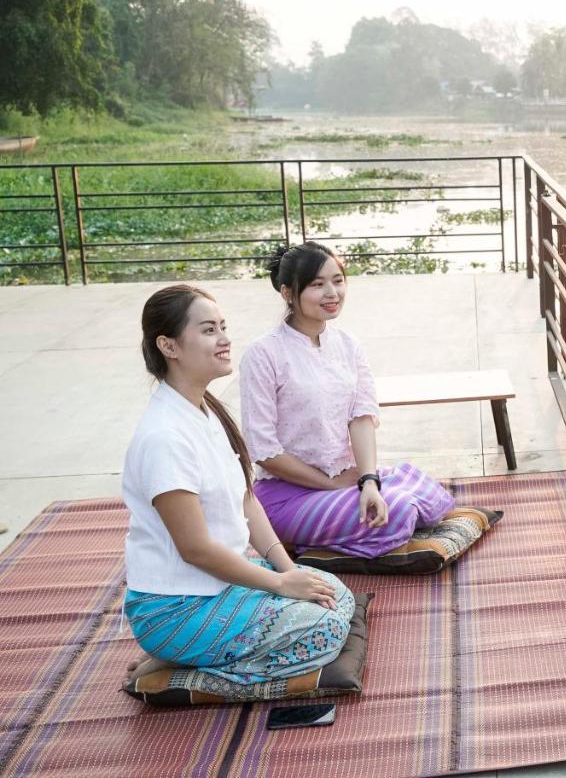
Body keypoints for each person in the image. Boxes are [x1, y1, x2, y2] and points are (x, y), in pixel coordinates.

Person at [122, 285, 354, 684]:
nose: (225, 339)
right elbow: (195, 549)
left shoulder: (204, 412)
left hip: (221, 584)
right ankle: (182, 668)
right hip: (177, 607)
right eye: (209, 330)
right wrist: (281, 584)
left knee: (335, 593)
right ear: (169, 346)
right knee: (325, 630)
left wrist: (288, 569)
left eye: (224, 327)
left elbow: (247, 501)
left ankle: (190, 656)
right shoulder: (164, 437)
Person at [238, 242, 455, 559]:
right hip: (287, 495)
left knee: (424, 488)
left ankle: (343, 527)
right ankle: (315, 543)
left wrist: (367, 481)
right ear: (287, 293)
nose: (332, 293)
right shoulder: (263, 354)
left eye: (338, 281)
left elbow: (361, 417)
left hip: (349, 477)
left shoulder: (347, 344)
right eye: (317, 284)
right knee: (401, 509)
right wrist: (334, 485)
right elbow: (264, 451)